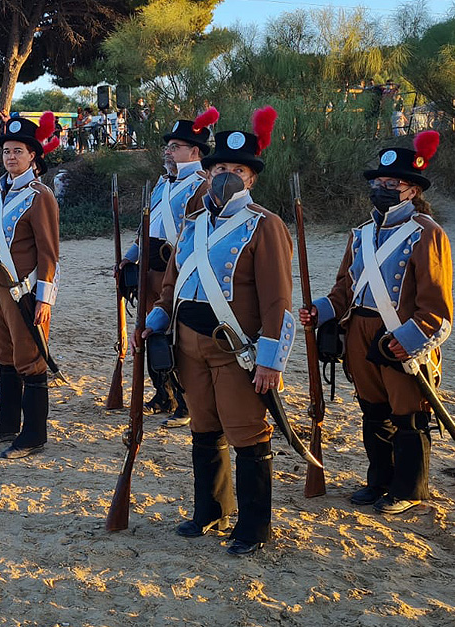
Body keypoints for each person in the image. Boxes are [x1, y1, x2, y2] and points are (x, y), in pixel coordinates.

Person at [138, 106, 292, 556]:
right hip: (187, 345)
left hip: (235, 349)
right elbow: (172, 282)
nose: (227, 176)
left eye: (237, 171)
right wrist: (157, 317)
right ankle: (211, 510)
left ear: (252, 178)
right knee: (204, 429)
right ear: (207, 173)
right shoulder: (195, 223)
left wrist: (270, 361)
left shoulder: (265, 225)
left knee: (247, 433)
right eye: (221, 168)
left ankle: (254, 527)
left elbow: (277, 301)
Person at [300, 131, 451, 516]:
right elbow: (344, 290)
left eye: (392, 183)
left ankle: (409, 488)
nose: (382, 188)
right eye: (378, 182)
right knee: (374, 412)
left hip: (399, 335)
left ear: (412, 190)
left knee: (409, 415)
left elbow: (436, 307)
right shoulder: (361, 235)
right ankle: (379, 480)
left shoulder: (427, 233)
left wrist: (410, 339)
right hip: (359, 333)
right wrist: (319, 311)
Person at [0, 112, 62, 459]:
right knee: (5, 358)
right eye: (7, 150)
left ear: (32, 156)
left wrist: (45, 299)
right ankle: (6, 424)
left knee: (31, 360)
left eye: (18, 151)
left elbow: (49, 251)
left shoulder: (40, 196)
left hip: (22, 289)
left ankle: (34, 434)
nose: (11, 156)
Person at [122, 106, 219, 428]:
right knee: (150, 331)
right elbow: (147, 227)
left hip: (177, 271)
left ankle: (185, 400)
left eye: (175, 146)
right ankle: (162, 393)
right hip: (150, 269)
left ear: (195, 151)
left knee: (176, 336)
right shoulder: (163, 183)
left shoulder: (202, 186)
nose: (168, 150)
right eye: (168, 146)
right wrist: (130, 256)